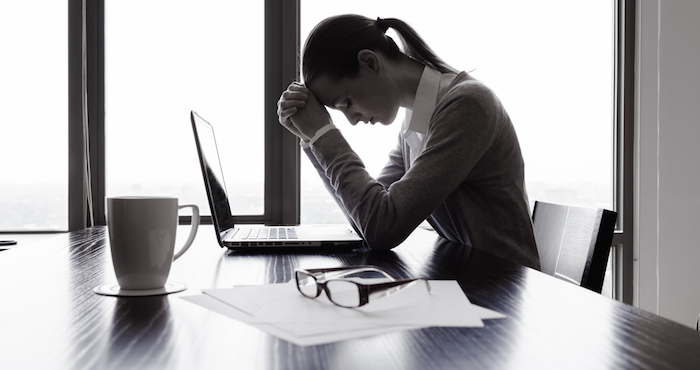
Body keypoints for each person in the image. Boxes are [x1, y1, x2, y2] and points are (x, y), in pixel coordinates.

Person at [277, 14, 540, 270]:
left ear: (369, 62)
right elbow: (367, 219)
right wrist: (312, 139)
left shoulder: (467, 105)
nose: (352, 120)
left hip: (505, 290)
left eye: (346, 103)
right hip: (467, 280)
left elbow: (383, 228)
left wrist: (324, 135)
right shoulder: (417, 119)